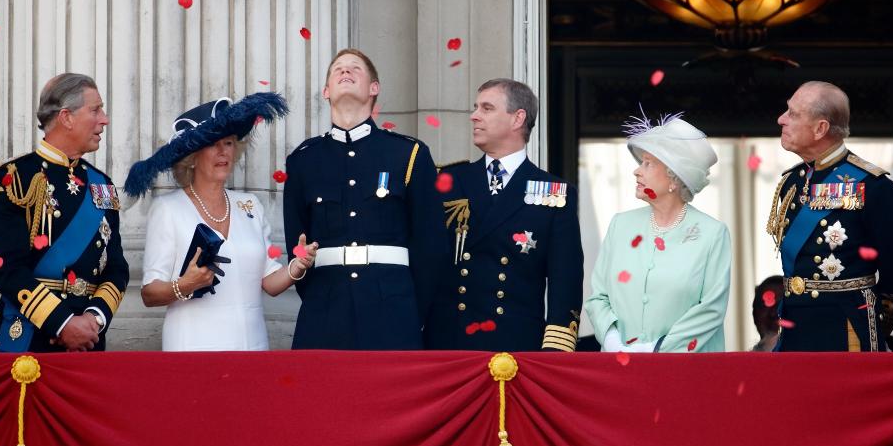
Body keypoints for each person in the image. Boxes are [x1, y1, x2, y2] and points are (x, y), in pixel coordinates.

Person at [282, 48, 447, 350]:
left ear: (374, 88)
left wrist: (412, 310)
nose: (346, 72)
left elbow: (430, 245)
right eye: (337, 69)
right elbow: (298, 240)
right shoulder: (303, 160)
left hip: (393, 308)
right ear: (326, 91)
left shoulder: (408, 154)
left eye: (356, 68)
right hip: (325, 306)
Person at [125, 93, 317, 351]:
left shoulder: (249, 206)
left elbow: (269, 282)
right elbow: (150, 293)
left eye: (228, 143)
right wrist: (185, 285)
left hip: (251, 347)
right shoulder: (168, 209)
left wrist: (297, 266)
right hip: (193, 348)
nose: (223, 151)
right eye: (213, 144)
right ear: (192, 157)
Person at [424, 78, 583, 352]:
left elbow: (565, 279)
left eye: (487, 108)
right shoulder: (446, 181)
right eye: (476, 108)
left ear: (517, 118)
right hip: (448, 344)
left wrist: (555, 352)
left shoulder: (555, 193)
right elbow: (424, 260)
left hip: (517, 347)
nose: (474, 116)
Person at [0, 73, 129, 352]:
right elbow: (7, 267)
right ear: (66, 117)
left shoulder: (102, 185)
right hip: (28, 339)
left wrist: (93, 319)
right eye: (95, 110)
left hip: (88, 341)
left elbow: (117, 267)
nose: (104, 119)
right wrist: (62, 322)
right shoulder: (13, 179)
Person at [768, 81, 893, 351]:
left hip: (847, 334)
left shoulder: (875, 187)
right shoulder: (792, 183)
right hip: (795, 331)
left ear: (820, 128)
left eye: (793, 113)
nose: (781, 119)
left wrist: (865, 326)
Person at [586, 111, 731, 353]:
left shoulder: (712, 233)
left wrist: (655, 349)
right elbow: (598, 297)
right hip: (619, 370)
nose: (637, 171)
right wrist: (612, 342)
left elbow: (711, 309)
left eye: (648, 163)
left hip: (683, 373)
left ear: (675, 177)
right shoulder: (620, 226)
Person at [751, 276, 784, 352]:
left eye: (781, 305)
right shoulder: (743, 362)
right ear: (754, 314)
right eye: (764, 305)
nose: (773, 314)